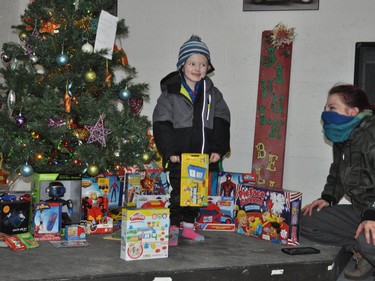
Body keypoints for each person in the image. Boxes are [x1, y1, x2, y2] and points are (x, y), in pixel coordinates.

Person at [153, 35, 231, 246]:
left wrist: (218, 148)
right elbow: (161, 123)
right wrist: (169, 150)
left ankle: (188, 227)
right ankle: (172, 228)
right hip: (179, 154)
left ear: (208, 67)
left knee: (196, 193)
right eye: (192, 63)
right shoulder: (170, 94)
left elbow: (222, 120)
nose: (197, 68)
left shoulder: (212, 94)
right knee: (178, 193)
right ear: (182, 65)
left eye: (202, 64)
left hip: (201, 156)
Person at [300, 84, 375, 280]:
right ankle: (364, 254)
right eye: (325, 108)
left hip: (372, 212)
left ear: (352, 112)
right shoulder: (343, 136)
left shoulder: (372, 134)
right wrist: (328, 198)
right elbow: (338, 171)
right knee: (306, 220)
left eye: (332, 108)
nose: (325, 114)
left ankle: (366, 248)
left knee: (367, 239)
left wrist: (372, 215)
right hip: (362, 211)